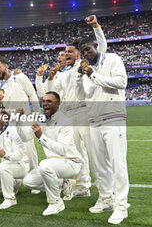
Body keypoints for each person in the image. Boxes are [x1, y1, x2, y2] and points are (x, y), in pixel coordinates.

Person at [42, 15, 108, 198]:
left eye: (70, 52)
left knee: (92, 152)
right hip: (68, 116)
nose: (66, 55)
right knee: (75, 153)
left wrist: (96, 27)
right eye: (65, 52)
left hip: (84, 113)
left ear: (78, 54)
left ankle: (103, 190)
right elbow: (53, 93)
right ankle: (81, 185)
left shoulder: (83, 64)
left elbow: (102, 48)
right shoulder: (64, 74)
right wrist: (50, 78)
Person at [77, 37, 129, 225]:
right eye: (82, 52)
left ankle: (121, 206)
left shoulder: (113, 59)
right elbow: (86, 94)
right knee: (99, 165)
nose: (85, 53)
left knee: (118, 164)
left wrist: (93, 75)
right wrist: (82, 75)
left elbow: (122, 82)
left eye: (87, 49)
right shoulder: (85, 72)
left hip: (113, 118)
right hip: (95, 121)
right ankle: (106, 199)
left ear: (96, 45)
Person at [16, 92, 82, 216]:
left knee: (45, 165)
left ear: (58, 104)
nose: (45, 104)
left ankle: (56, 202)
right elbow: (25, 138)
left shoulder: (65, 121)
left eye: (49, 101)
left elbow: (62, 150)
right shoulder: (42, 120)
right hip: (54, 164)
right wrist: (18, 122)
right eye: (44, 101)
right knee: (28, 182)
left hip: (71, 162)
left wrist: (41, 137)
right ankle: (64, 184)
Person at [0, 58, 40, 180]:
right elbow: (0, 108)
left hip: (24, 119)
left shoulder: (19, 77)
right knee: (10, 148)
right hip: (9, 121)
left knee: (29, 149)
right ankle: (12, 178)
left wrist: (39, 114)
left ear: (6, 66)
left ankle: (35, 175)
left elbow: (32, 94)